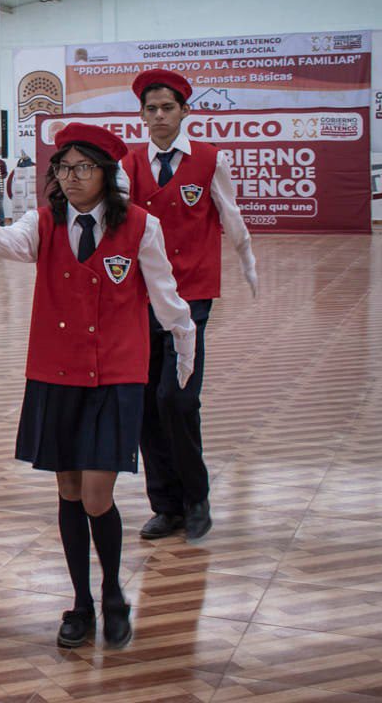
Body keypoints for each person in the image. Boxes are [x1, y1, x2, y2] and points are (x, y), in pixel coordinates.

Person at [0, 122, 197, 650]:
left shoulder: (139, 227)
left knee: (95, 495)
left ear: (107, 174)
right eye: (63, 168)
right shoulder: (45, 221)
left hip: (116, 375)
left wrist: (184, 336)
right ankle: (81, 601)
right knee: (66, 489)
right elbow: (13, 243)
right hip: (55, 371)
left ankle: (112, 591)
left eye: (83, 167)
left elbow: (163, 290)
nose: (71, 178)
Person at [120, 68, 257, 542]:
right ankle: (167, 505)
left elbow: (232, 216)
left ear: (185, 111)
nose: (159, 116)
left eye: (167, 108)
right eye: (151, 109)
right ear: (141, 115)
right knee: (144, 405)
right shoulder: (130, 163)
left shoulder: (208, 160)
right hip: (139, 296)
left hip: (191, 295)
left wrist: (248, 262)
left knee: (176, 398)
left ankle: (197, 498)